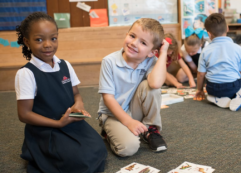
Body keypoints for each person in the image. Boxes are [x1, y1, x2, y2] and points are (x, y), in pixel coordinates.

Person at [15, 12, 107, 172]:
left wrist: (78, 106)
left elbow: (76, 94)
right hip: (46, 129)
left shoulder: (65, 65)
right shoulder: (26, 73)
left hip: (70, 122)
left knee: (99, 149)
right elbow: (24, 114)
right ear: (27, 41)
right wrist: (58, 123)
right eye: (39, 39)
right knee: (80, 160)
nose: (48, 44)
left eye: (53, 38)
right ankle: (35, 151)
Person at [97, 18, 169, 157]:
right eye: (132, 36)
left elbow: (155, 84)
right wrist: (128, 122)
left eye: (143, 43)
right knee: (129, 148)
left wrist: (163, 52)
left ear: (151, 52)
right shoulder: (109, 62)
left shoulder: (151, 60)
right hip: (113, 114)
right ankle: (108, 132)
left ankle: (151, 129)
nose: (133, 43)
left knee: (151, 88)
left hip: (134, 110)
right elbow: (108, 99)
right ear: (127, 34)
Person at [195, 13, 241, 112]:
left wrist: (199, 90)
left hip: (212, 88)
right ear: (227, 28)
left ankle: (216, 98)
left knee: (212, 83)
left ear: (209, 33)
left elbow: (201, 74)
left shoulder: (205, 50)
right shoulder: (238, 48)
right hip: (232, 88)